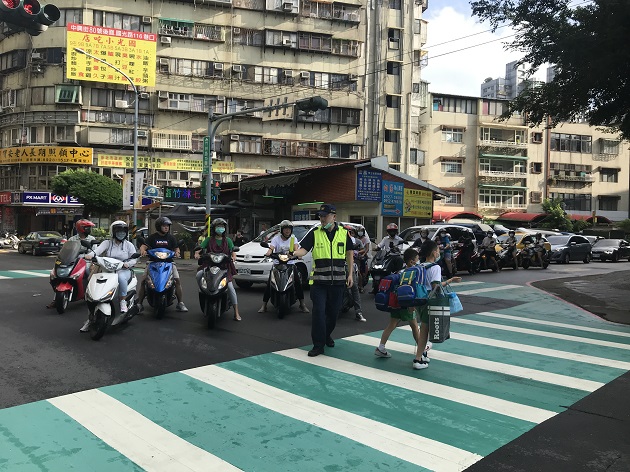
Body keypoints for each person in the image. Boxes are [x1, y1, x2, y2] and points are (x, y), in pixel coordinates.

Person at [292, 203, 353, 357]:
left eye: (325, 216)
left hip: (338, 282)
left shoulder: (343, 234)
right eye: (320, 216)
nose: (322, 219)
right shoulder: (315, 232)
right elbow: (303, 249)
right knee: (318, 312)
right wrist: (293, 253)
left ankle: (326, 335)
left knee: (333, 314)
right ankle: (318, 345)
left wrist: (350, 274)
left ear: (334, 217)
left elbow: (350, 253)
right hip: (319, 283)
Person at [79, 221, 138, 332]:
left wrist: (128, 264)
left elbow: (134, 258)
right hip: (106, 269)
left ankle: (122, 301)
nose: (121, 233)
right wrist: (89, 255)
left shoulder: (129, 245)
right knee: (92, 284)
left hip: (122, 269)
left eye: (123, 231)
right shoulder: (107, 243)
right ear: (113, 232)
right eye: (118, 231)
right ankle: (90, 319)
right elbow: (96, 252)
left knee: (121, 278)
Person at [411, 240, 461, 369]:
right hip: (430, 301)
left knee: (423, 328)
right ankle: (417, 360)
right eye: (438, 250)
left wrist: (449, 280)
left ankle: (422, 354)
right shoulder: (435, 267)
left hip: (418, 300)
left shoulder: (420, 265)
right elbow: (435, 286)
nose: (439, 253)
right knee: (424, 331)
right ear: (434, 252)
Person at [374, 247, 423, 360]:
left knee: (391, 325)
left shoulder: (400, 271)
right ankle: (422, 350)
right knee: (415, 326)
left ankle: (381, 347)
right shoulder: (412, 273)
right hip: (405, 305)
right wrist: (412, 305)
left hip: (395, 303)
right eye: (417, 259)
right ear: (412, 261)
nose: (418, 261)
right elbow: (410, 290)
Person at [136, 216, 188, 313]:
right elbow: (143, 246)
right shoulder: (152, 237)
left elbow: (176, 247)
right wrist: (142, 251)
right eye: (164, 226)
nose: (166, 228)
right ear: (158, 226)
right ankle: (139, 303)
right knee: (143, 281)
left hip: (169, 262)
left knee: (177, 280)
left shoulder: (171, 238)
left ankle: (180, 303)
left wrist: (177, 252)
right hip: (153, 262)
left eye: (167, 226)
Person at [258, 220, 310, 314]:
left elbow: (296, 249)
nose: (287, 231)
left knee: (298, 282)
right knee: (270, 282)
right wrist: (268, 253)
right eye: (285, 229)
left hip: (290, 263)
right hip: (277, 264)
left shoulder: (293, 239)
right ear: (282, 230)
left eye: (289, 229)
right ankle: (264, 305)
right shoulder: (276, 239)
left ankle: (302, 304)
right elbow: (271, 249)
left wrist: (298, 255)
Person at [194, 218, 241, 321]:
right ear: (214, 228)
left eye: (222, 227)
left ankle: (236, 312)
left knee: (230, 287)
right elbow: (200, 248)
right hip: (209, 266)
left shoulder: (228, 240)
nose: (221, 228)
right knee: (199, 275)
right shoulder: (208, 239)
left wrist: (233, 257)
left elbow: (233, 251)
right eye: (218, 226)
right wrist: (197, 253)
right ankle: (203, 292)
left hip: (224, 267)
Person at [47, 219, 95, 309]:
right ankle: (55, 299)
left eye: (89, 228)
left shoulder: (91, 239)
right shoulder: (72, 239)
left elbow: (95, 252)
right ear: (80, 228)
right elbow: (66, 250)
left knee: (88, 273)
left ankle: (90, 294)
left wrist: (90, 258)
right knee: (54, 275)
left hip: (86, 261)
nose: (89, 229)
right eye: (87, 227)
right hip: (73, 261)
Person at [344, 225, 366, 322]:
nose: (349, 233)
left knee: (354, 287)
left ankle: (358, 312)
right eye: (347, 231)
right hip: (338, 265)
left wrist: (356, 252)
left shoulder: (354, 240)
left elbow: (362, 250)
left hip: (350, 265)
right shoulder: (337, 238)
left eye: (350, 231)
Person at [355, 225, 370, 292]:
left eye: (361, 231)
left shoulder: (365, 239)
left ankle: (361, 285)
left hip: (362, 255)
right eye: (358, 231)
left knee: (361, 271)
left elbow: (366, 249)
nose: (359, 232)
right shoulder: (355, 239)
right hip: (355, 256)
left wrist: (363, 254)